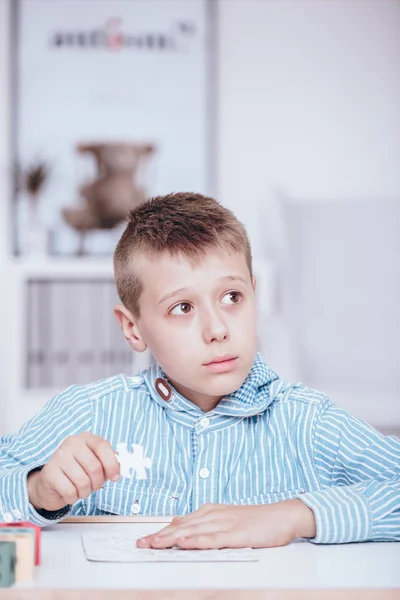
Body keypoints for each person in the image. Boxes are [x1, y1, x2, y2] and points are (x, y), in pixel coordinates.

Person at [0, 192, 399, 551]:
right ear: (132, 328)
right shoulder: (88, 414)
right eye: (183, 308)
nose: (218, 329)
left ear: (254, 295)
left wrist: (294, 516)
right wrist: (38, 490)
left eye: (232, 297)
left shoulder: (309, 423)